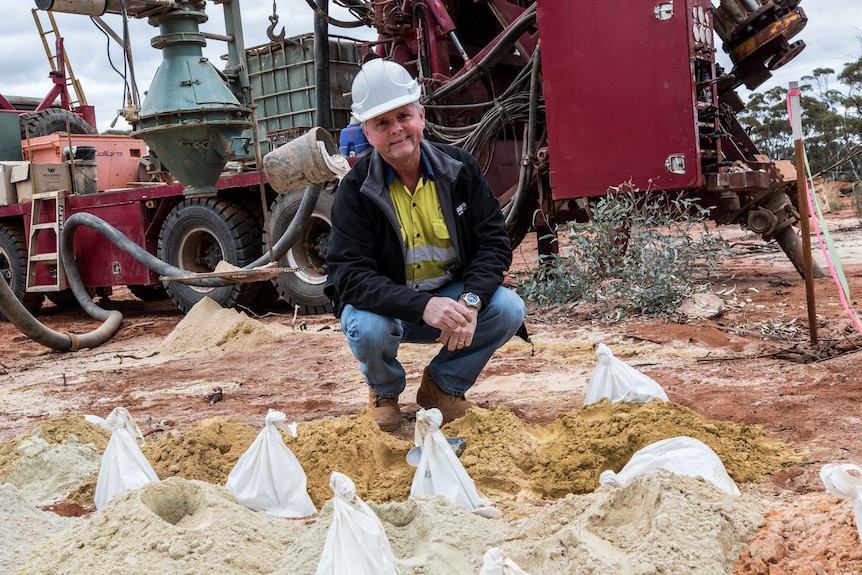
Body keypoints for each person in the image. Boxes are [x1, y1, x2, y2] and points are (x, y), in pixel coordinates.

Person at [324, 58, 527, 431]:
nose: (396, 129)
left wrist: (470, 300)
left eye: (403, 116)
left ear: (421, 114)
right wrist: (423, 306)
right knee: (369, 328)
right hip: (391, 309)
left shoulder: (459, 168)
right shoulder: (355, 191)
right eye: (382, 123)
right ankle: (384, 392)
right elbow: (350, 278)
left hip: (448, 298)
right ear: (367, 132)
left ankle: (443, 387)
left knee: (508, 309)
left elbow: (493, 244)